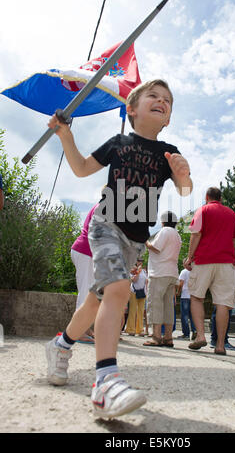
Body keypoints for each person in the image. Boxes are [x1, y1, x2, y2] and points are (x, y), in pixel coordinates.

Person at [45, 79, 192, 419]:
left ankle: (61, 345)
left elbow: (185, 191)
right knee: (117, 291)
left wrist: (183, 176)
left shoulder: (168, 151)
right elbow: (82, 169)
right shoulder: (118, 142)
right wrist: (66, 136)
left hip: (136, 240)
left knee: (99, 299)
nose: (161, 101)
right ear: (132, 109)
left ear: (168, 118)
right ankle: (105, 383)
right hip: (106, 225)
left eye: (167, 100)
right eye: (153, 96)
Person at [184, 187, 235, 355]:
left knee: (196, 297)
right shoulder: (232, 214)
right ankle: (221, 345)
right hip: (226, 262)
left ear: (207, 196)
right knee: (223, 302)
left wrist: (189, 257)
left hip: (203, 260)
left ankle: (200, 335)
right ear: (221, 198)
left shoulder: (203, 210)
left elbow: (195, 235)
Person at [144, 211, 181, 348]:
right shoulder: (177, 235)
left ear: (163, 221)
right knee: (168, 306)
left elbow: (156, 248)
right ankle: (168, 337)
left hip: (159, 272)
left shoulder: (164, 231)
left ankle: (156, 336)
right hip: (172, 272)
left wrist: (146, 242)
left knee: (155, 304)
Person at [70, 204, 99, 343]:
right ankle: (78, 331)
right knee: (86, 291)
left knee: (90, 291)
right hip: (86, 252)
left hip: (86, 252)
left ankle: (85, 328)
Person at [125, 259, 147, 336]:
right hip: (134, 292)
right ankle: (131, 329)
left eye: (141, 260)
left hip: (142, 292)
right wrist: (137, 272)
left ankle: (140, 329)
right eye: (138, 260)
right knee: (132, 311)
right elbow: (134, 280)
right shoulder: (132, 270)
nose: (140, 262)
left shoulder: (144, 271)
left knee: (141, 311)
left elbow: (146, 281)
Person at [177, 266, 196, 341]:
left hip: (185, 295)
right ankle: (194, 331)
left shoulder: (184, 271)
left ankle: (186, 334)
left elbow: (181, 283)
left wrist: (178, 292)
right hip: (193, 296)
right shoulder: (195, 271)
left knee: (184, 316)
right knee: (193, 316)